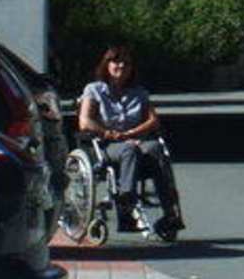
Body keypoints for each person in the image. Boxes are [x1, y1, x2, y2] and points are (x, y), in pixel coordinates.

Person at [78, 44, 183, 235]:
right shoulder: (94, 90)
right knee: (129, 150)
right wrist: (110, 134)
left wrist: (131, 134)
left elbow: (153, 120)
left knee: (155, 148)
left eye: (126, 63)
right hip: (107, 144)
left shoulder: (139, 92)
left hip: (135, 140)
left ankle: (170, 213)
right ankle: (126, 202)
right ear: (107, 65)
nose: (121, 66)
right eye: (116, 62)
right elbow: (85, 122)